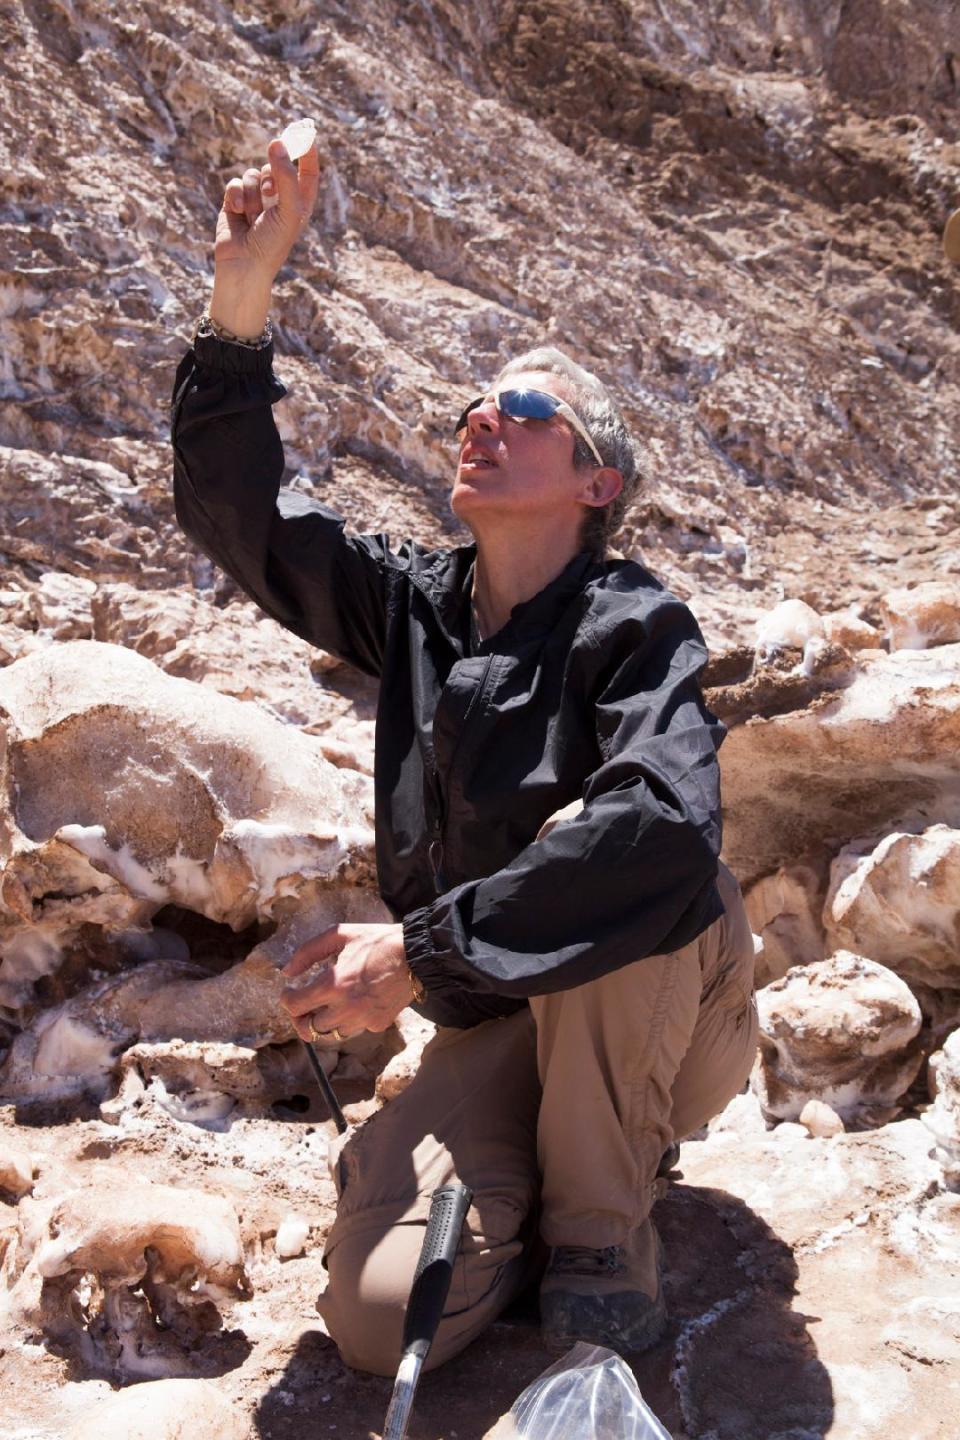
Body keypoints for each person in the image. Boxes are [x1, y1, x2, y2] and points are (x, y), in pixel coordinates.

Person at [171, 134, 758, 1375]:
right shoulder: (414, 604)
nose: (486, 418)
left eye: (529, 410)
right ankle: (544, 1158)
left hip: (659, 1004)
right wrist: (240, 296)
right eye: (475, 407)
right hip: (498, 1017)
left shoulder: (636, 623)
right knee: (384, 1323)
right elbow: (244, 518)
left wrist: (415, 951)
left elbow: (661, 829)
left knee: (598, 839)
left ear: (597, 483)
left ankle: (602, 1229)